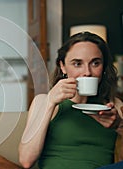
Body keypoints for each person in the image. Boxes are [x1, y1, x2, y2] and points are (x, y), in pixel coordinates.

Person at [18, 31, 123, 169]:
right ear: (63, 66)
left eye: (95, 63)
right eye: (77, 63)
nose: (87, 72)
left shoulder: (114, 105)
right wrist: (50, 103)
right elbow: (26, 160)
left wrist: (119, 126)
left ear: (103, 67)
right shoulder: (43, 101)